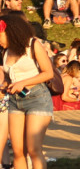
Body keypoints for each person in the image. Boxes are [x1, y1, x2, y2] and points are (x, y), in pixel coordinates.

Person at [1, 12, 54, 169]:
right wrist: (6, 84)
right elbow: (10, 77)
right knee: (18, 152)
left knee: (33, 150)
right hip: (15, 101)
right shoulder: (5, 51)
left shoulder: (32, 44)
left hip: (38, 99)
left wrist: (23, 82)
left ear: (9, 32)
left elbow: (48, 73)